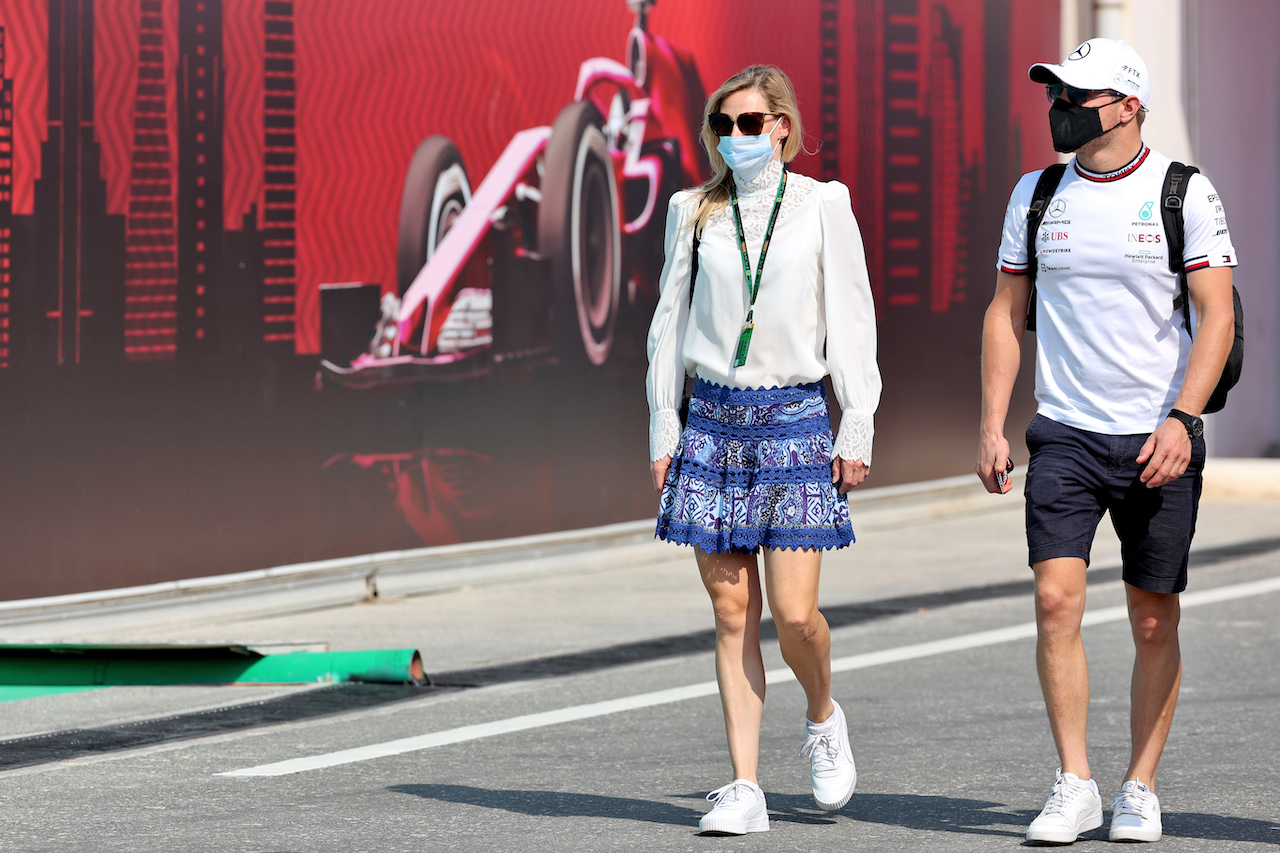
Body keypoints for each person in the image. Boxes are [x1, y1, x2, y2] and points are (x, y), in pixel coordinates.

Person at [977, 38, 1237, 844]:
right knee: (1055, 599)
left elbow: (1217, 316)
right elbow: (1003, 312)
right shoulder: (1036, 191)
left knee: (1153, 618)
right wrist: (991, 419)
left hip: (1159, 439)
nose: (1062, 106)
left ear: (1126, 106)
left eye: (1078, 94)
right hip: (1064, 434)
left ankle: (1139, 785)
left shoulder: (1182, 193)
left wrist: (1185, 419)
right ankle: (1075, 781)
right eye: (1056, 92)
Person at [646, 64, 880, 835]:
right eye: (725, 126)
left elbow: (850, 318)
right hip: (711, 422)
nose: (736, 139)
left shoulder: (821, 205)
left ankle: (822, 715)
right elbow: (667, 328)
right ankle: (745, 784)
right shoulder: (692, 210)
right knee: (729, 607)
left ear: (782, 125)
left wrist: (857, 422)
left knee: (793, 611)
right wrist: (663, 425)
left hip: (793, 421)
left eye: (751, 124)